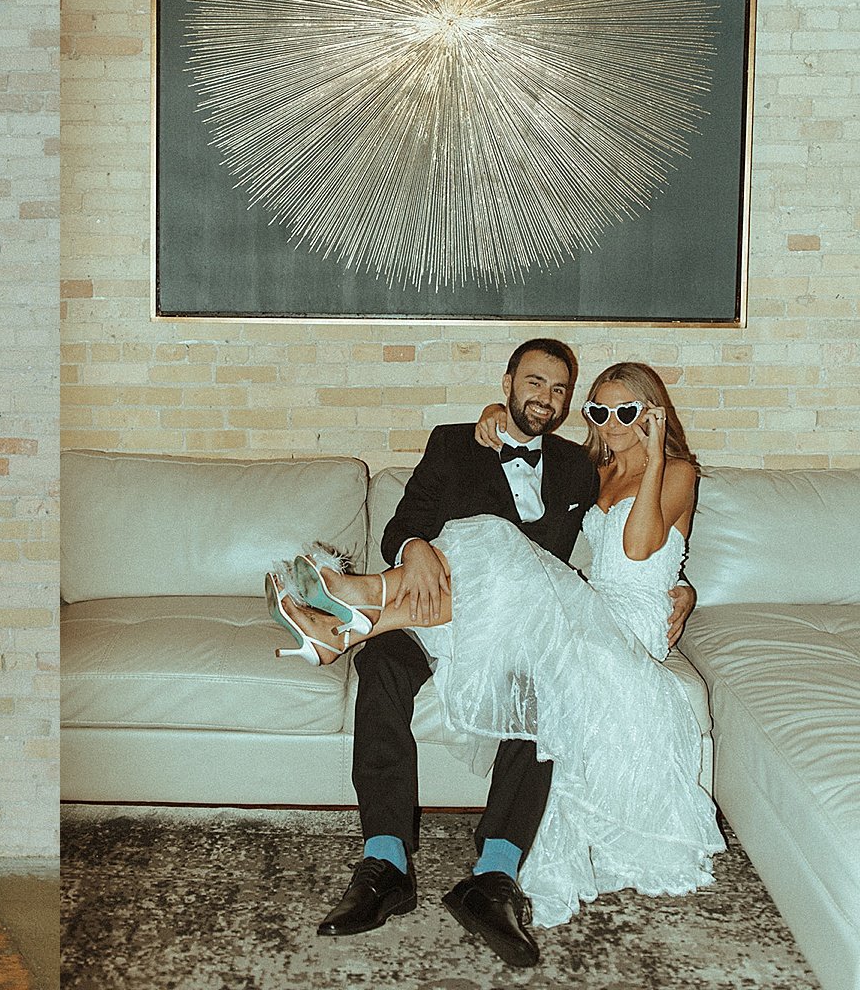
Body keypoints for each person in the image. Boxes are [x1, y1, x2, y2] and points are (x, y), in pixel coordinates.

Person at [270, 358, 721, 965]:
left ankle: (495, 876)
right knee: (382, 667)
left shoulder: (575, 465)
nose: (552, 398)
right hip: (432, 605)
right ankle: (385, 860)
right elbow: (403, 521)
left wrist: (686, 590)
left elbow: (644, 550)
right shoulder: (461, 441)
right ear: (507, 386)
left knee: (540, 684)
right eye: (536, 383)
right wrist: (415, 547)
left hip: (535, 626)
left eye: (562, 391)